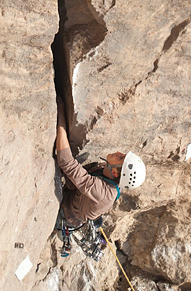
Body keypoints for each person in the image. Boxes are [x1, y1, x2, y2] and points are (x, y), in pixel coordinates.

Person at [55, 97, 146, 231]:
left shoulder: (103, 193)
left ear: (115, 172)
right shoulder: (106, 171)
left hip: (66, 214)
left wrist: (60, 116)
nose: (118, 152)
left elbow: (66, 161)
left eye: (120, 157)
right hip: (73, 195)